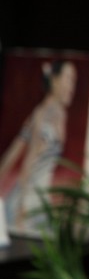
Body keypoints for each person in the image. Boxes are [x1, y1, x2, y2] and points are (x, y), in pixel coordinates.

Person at [0, 60, 77, 235]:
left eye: (74, 80)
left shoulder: (54, 112)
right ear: (54, 81)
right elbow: (30, 159)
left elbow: (14, 150)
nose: (72, 86)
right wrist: (21, 205)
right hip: (28, 206)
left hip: (38, 201)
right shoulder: (45, 115)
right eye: (68, 78)